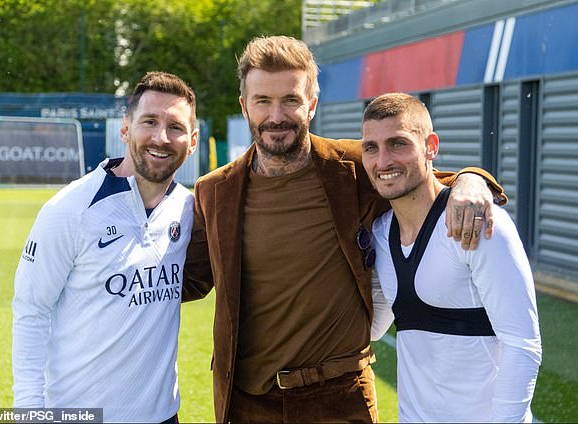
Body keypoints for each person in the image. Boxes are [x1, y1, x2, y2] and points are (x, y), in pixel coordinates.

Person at [182, 35, 506, 423]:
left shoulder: (353, 168)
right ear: (244, 106)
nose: (276, 116)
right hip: (250, 403)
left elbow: (427, 178)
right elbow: (186, 280)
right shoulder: (214, 190)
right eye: (262, 101)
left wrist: (472, 180)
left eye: (290, 100)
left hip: (339, 397)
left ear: (312, 105)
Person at [12, 71, 198, 423]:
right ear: (125, 129)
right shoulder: (69, 209)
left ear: (192, 141)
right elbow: (31, 310)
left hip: (164, 416)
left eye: (175, 127)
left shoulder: (189, 210)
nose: (161, 137)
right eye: (149, 122)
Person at [363, 93, 542, 422]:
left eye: (398, 144)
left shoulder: (479, 224)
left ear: (431, 146)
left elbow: (523, 344)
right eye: (371, 148)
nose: (383, 161)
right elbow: (373, 328)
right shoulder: (380, 235)